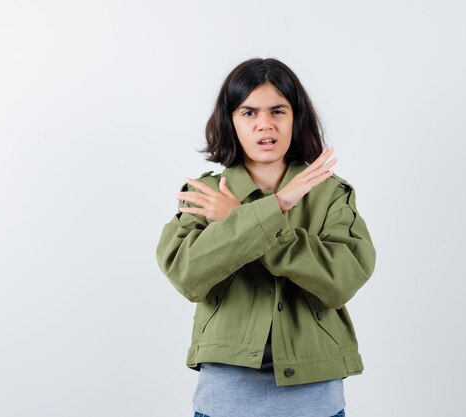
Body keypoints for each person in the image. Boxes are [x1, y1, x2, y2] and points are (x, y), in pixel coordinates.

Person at [155, 58, 376, 417]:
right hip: (226, 398)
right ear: (230, 121)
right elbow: (187, 275)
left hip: (314, 398)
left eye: (278, 111)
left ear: (296, 118)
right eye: (249, 113)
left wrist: (240, 221)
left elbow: (342, 280)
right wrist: (275, 209)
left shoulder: (330, 194)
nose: (265, 124)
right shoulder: (206, 193)